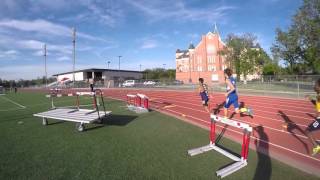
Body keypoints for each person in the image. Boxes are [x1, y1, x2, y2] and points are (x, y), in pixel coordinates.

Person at [305, 78, 320, 155]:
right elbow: (317, 104)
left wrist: (318, 113)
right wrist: (311, 99)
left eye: (316, 85)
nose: (314, 87)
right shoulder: (318, 95)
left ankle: (317, 147)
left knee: (307, 131)